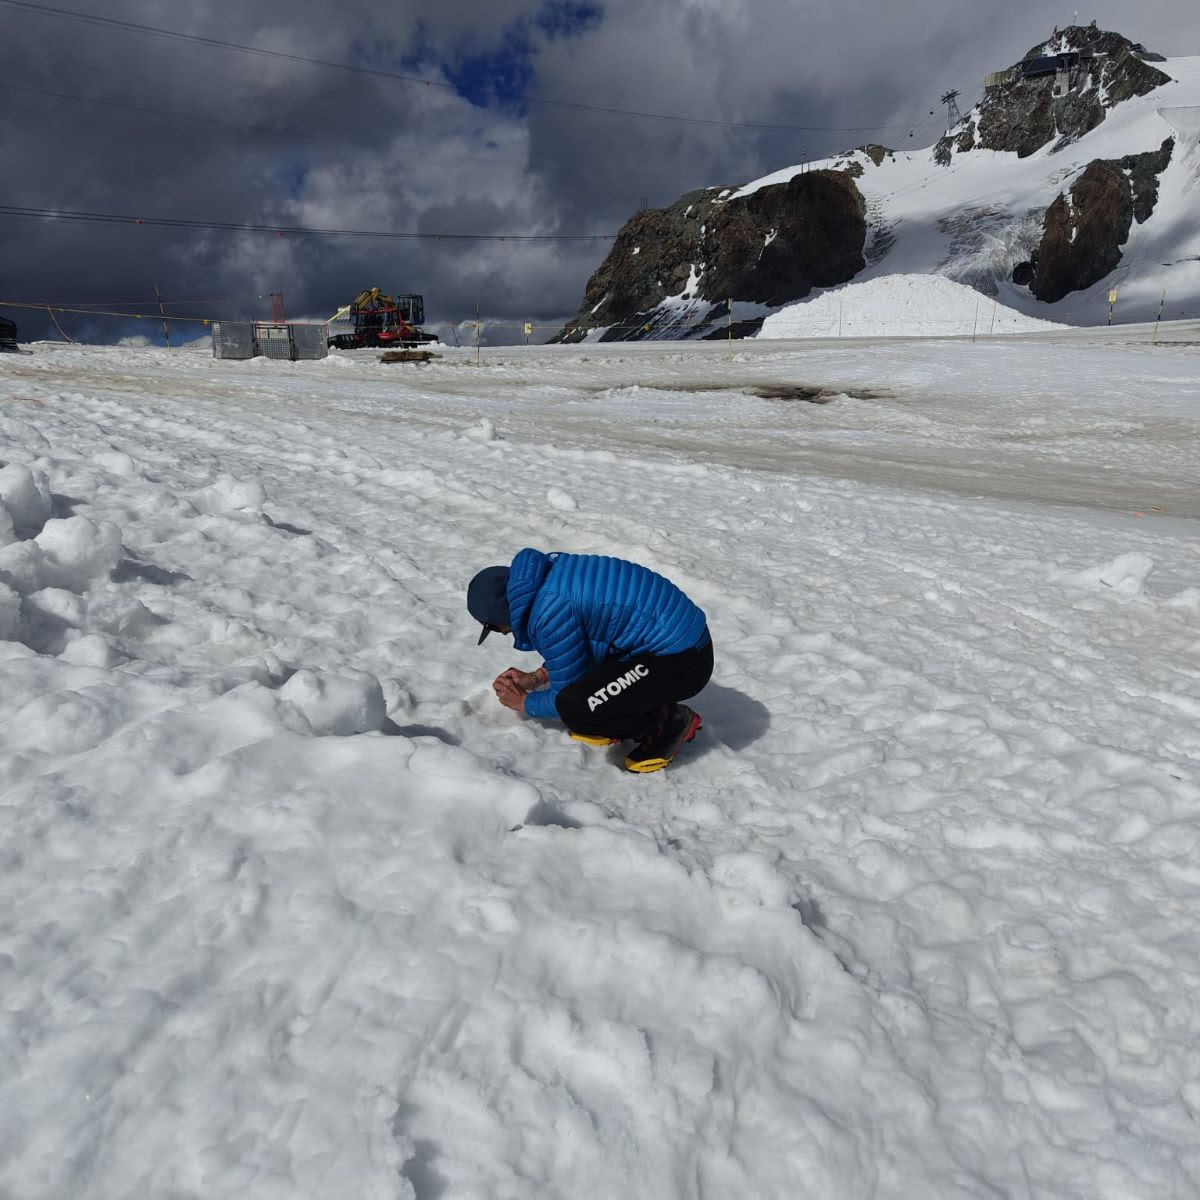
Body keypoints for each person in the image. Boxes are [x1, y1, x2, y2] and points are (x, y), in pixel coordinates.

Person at [467, 548, 713, 772]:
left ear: (501, 614)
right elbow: (588, 645)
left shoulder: (548, 612)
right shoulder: (548, 577)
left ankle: (668, 721)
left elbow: (563, 698)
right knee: (586, 691)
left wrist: (525, 703)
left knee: (577, 710)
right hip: (681, 643)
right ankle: (624, 713)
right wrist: (537, 677)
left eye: (493, 627)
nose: (502, 632)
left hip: (684, 661)